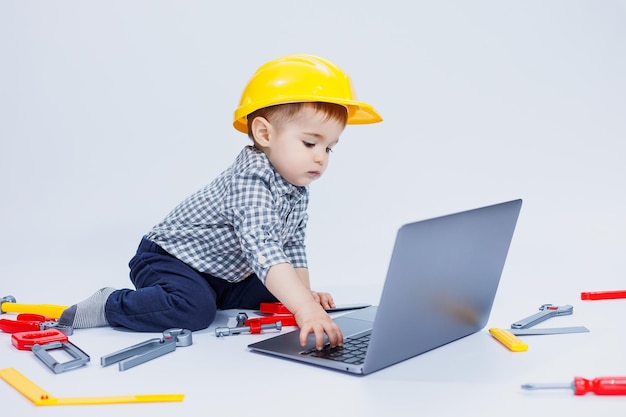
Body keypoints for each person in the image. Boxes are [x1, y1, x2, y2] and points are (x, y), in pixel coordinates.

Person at [58, 54, 382, 349]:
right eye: (310, 142)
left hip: (222, 272)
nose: (321, 157)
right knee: (194, 311)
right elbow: (263, 246)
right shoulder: (251, 176)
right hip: (170, 258)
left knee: (280, 292)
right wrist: (306, 309)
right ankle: (110, 304)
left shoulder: (297, 187)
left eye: (328, 148)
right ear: (265, 134)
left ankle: (212, 296)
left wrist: (304, 295)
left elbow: (292, 245)